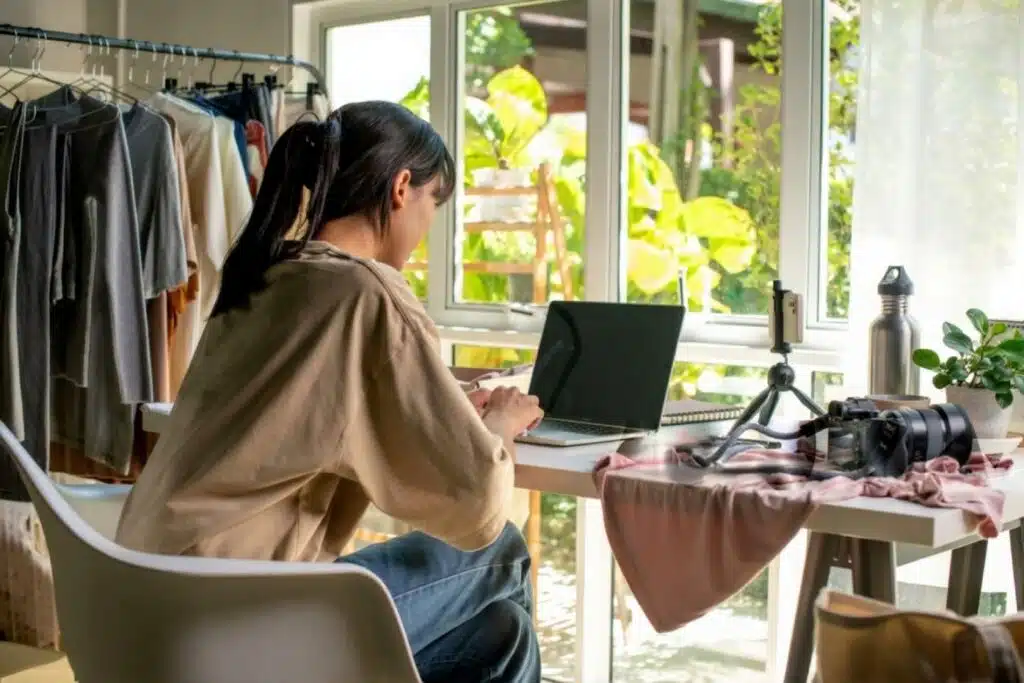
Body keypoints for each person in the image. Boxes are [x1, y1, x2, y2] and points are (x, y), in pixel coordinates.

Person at [115, 101, 545, 683]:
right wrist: (499, 424)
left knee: (503, 634)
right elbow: (477, 505)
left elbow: (308, 414)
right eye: (433, 202)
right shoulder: (366, 293)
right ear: (401, 189)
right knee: (501, 550)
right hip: (240, 622)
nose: (428, 226)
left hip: (152, 602)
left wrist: (439, 416)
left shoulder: (268, 273)